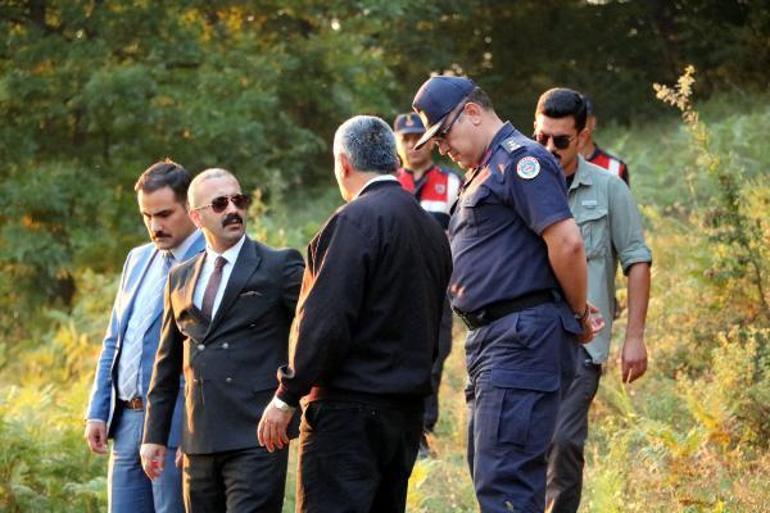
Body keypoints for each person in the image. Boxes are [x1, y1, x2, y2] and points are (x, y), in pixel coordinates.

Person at [410, 75, 603, 513]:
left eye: (443, 134)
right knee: (491, 472)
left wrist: (577, 311)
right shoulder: (483, 169)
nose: (441, 148)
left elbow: (568, 243)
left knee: (506, 484)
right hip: (494, 340)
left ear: (472, 112)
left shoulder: (521, 161)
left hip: (520, 340)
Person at [257, 115, 452, 513]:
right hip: (404, 413)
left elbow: (326, 320)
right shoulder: (429, 229)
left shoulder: (354, 221)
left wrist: (287, 394)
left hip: (348, 415)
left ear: (343, 163)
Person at [140, 168, 304, 513]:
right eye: (220, 203)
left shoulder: (278, 265)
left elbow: (317, 327)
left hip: (257, 433)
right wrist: (153, 437)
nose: (233, 209)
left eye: (238, 200)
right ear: (196, 216)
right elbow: (167, 362)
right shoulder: (180, 277)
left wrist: (289, 396)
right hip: (199, 438)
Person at [534, 88, 652, 513]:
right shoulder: (518, 187)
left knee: (564, 441)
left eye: (561, 140)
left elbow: (637, 260)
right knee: (525, 445)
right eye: (542, 137)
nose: (549, 149)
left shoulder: (608, 188)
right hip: (525, 340)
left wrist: (634, 337)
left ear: (583, 136)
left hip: (582, 342)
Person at [84, 159, 203, 513]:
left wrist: (193, 430)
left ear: (190, 209)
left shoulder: (211, 261)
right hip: (126, 418)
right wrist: (98, 410)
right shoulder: (137, 259)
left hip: (176, 423)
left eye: (164, 214)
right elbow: (115, 338)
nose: (155, 226)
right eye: (147, 216)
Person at [393, 111, 461, 457]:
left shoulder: (452, 183)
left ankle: (423, 427)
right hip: (393, 290)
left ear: (431, 140)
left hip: (437, 287)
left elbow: (463, 235)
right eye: (404, 138)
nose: (411, 143)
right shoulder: (387, 181)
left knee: (434, 355)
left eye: (417, 136)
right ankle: (409, 431)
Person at [580, 96, 630, 186]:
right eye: (572, 121)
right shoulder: (555, 167)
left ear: (593, 122)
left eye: (582, 120)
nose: (577, 127)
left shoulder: (615, 167)